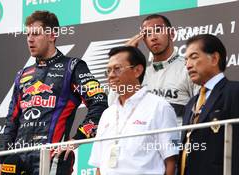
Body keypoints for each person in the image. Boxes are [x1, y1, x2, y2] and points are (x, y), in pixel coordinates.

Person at [0, 10, 108, 175]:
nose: (30, 39)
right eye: (28, 35)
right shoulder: (22, 74)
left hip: (53, 156)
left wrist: (79, 138)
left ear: (52, 35)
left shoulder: (73, 66)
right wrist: (2, 160)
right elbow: (11, 120)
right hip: (17, 159)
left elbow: (99, 100)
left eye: (36, 34)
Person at [89, 46, 179, 175]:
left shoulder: (159, 107)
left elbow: (171, 160)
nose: (111, 76)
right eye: (108, 71)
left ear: (137, 70)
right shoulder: (107, 114)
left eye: (117, 69)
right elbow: (99, 165)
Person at [109, 14, 198, 120]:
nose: (153, 37)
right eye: (148, 34)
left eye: (158, 30)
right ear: (144, 40)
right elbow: (113, 105)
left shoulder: (188, 67)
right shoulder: (139, 74)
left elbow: (202, 108)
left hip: (177, 135)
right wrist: (123, 57)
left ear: (172, 34)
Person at [178, 34, 239, 175]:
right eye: (186, 60)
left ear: (214, 58)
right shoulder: (191, 103)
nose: (188, 65)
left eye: (194, 57)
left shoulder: (234, 92)